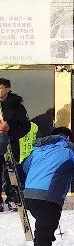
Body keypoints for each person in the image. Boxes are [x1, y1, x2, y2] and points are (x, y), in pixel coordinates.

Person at [19, 126, 74, 246]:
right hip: (49, 194)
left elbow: (25, 166)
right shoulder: (68, 147)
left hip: (29, 193)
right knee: (47, 225)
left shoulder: (38, 149)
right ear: (68, 137)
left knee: (43, 224)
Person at [0, 77, 31, 209]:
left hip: (10, 144)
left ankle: (12, 198)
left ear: (8, 89)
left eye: (0, 88)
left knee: (11, 171)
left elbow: (26, 127)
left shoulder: (17, 106)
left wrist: (11, 133)